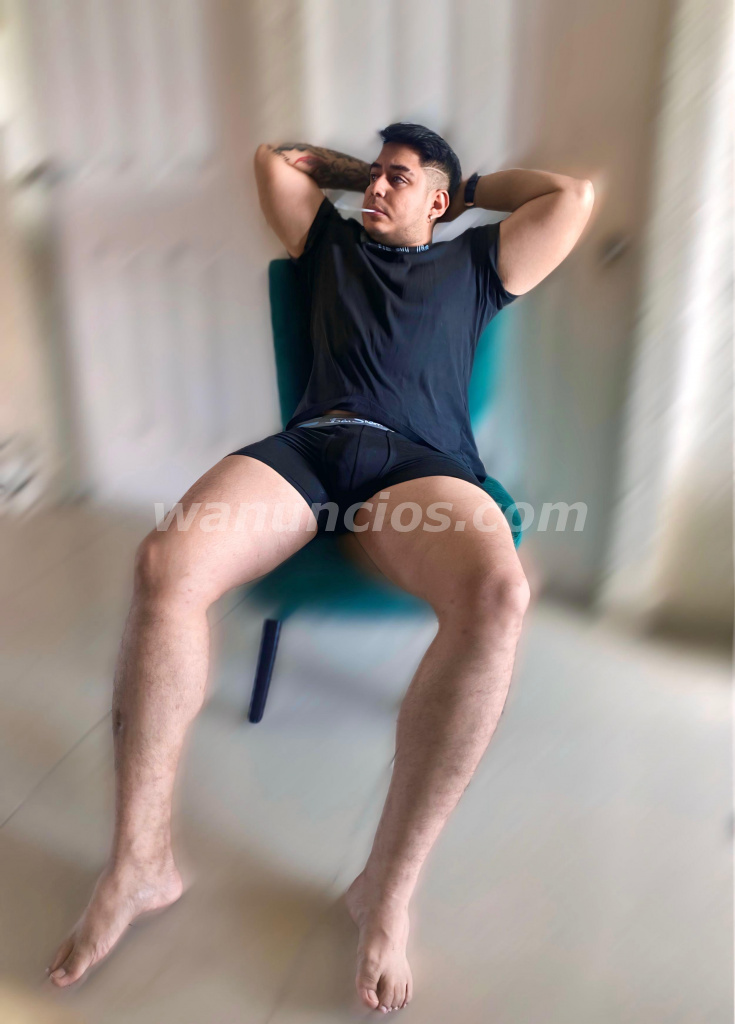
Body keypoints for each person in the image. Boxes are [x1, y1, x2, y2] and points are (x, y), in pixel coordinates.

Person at [47, 122, 595, 1013]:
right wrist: (366, 179)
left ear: (439, 199)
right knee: (165, 565)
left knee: (500, 595)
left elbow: (571, 198)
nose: (374, 188)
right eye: (371, 175)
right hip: (310, 449)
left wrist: (465, 191)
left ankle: (385, 890)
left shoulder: (479, 265)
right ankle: (139, 862)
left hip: (419, 466)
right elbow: (273, 160)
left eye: (397, 178)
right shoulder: (328, 240)